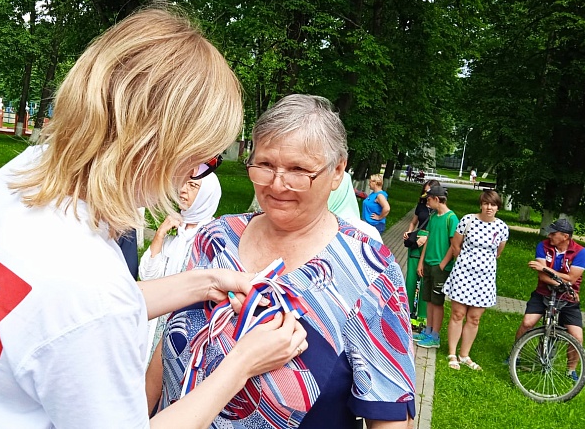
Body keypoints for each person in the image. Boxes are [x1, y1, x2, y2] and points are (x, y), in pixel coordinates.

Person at [0, 9, 307, 429]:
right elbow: (87, 311)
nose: (194, 175)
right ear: (155, 144)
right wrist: (242, 364)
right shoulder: (88, 289)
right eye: (198, 158)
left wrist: (204, 282)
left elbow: (57, 318)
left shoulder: (20, 177)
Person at [154, 94, 415, 428]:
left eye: (298, 170)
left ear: (337, 171)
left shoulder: (369, 270)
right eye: (264, 165)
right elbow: (169, 345)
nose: (277, 185)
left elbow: (390, 414)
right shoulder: (216, 238)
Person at [140, 172, 222, 359]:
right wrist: (160, 234)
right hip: (155, 323)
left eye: (193, 186)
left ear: (207, 195)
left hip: (186, 330)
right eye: (183, 183)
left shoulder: (212, 239)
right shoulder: (175, 235)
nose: (183, 190)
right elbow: (147, 277)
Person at [509, 218, 585, 380]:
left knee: (577, 337)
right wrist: (563, 282)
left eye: (554, 233)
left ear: (565, 236)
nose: (549, 235)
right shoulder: (543, 246)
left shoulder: (580, 252)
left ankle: (570, 369)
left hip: (568, 298)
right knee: (527, 323)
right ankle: (516, 356)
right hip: (543, 293)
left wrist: (546, 269)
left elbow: (572, 278)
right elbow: (542, 277)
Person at [442, 190, 509, 370]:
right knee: (457, 314)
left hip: (485, 278)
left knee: (474, 318)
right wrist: (465, 262)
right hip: (464, 274)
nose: (489, 208)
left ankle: (465, 355)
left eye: (493, 205)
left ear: (497, 208)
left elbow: (498, 252)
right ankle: (452, 353)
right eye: (486, 203)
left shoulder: (502, 227)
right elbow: (456, 245)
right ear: (481, 204)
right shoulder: (468, 220)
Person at [415, 185, 459, 349]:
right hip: (428, 263)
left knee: (437, 301)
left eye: (429, 199)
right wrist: (421, 261)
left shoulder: (451, 218)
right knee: (428, 300)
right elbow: (429, 239)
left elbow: (454, 245)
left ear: (436, 199)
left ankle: (435, 335)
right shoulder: (433, 217)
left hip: (441, 267)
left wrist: (442, 264)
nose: (427, 202)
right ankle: (427, 330)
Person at [402, 180, 441, 329]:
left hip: (428, 246)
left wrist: (427, 238)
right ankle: (408, 313)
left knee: (425, 282)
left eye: (430, 191)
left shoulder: (439, 211)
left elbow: (438, 230)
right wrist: (409, 232)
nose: (427, 195)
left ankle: (423, 317)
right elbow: (414, 222)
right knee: (411, 279)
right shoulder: (421, 206)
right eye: (425, 191)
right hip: (415, 245)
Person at [327, 171, 383, 242]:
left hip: (374, 223)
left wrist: (379, 217)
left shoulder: (380, 195)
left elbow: (386, 208)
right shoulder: (368, 232)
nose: (369, 184)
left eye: (371, 182)